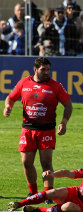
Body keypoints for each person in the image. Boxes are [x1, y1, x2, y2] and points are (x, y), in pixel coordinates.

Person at [3, 57, 73, 200]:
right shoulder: (23, 83)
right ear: (35, 69)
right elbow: (10, 98)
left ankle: (48, 193)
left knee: (46, 162)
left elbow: (68, 105)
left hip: (47, 129)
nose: (47, 72)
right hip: (28, 129)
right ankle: (33, 192)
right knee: (26, 162)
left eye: (48, 69)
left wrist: (64, 122)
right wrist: (7, 107)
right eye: (43, 69)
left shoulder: (56, 86)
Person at [8, 157, 83, 212]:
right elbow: (67, 173)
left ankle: (39, 210)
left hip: (82, 206)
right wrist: (53, 174)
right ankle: (19, 204)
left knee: (66, 207)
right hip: (75, 192)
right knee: (52, 193)